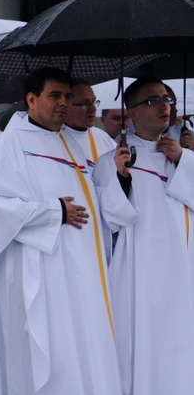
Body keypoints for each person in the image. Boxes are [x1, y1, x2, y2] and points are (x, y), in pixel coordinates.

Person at [0, 68, 121, 395]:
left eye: (67, 97)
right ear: (32, 99)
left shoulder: (70, 143)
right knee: (51, 352)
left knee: (84, 346)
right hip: (39, 274)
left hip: (83, 274)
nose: (63, 103)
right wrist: (54, 211)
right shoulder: (10, 145)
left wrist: (122, 177)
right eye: (55, 96)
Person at [93, 76, 194, 394]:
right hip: (140, 272)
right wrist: (122, 178)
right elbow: (109, 220)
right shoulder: (114, 161)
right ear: (132, 113)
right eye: (152, 101)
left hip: (184, 268)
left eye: (167, 99)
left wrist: (182, 159)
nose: (164, 106)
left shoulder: (181, 156)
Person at [61, 78, 116, 171]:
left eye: (94, 102)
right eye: (85, 103)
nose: (93, 109)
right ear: (67, 105)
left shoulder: (104, 138)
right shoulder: (55, 138)